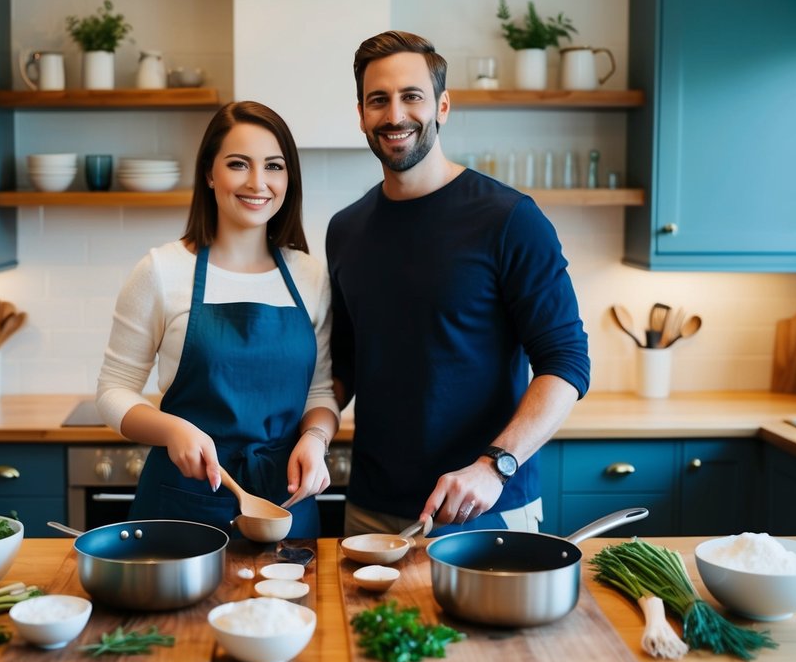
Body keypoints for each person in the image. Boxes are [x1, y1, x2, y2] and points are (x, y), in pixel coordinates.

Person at [326, 30, 590, 537]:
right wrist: (294, 427)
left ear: (442, 106)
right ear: (360, 113)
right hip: (372, 510)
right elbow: (344, 367)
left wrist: (496, 465)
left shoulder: (509, 219)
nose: (395, 114)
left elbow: (567, 362)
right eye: (378, 100)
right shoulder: (346, 229)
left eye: (412, 96)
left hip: (485, 506)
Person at [96, 101, 338, 539]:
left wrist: (315, 439)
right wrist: (171, 429)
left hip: (286, 505)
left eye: (274, 166)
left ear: (289, 178)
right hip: (181, 504)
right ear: (210, 173)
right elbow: (112, 390)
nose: (258, 182)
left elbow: (320, 389)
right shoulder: (161, 270)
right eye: (238, 164)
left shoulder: (311, 275)